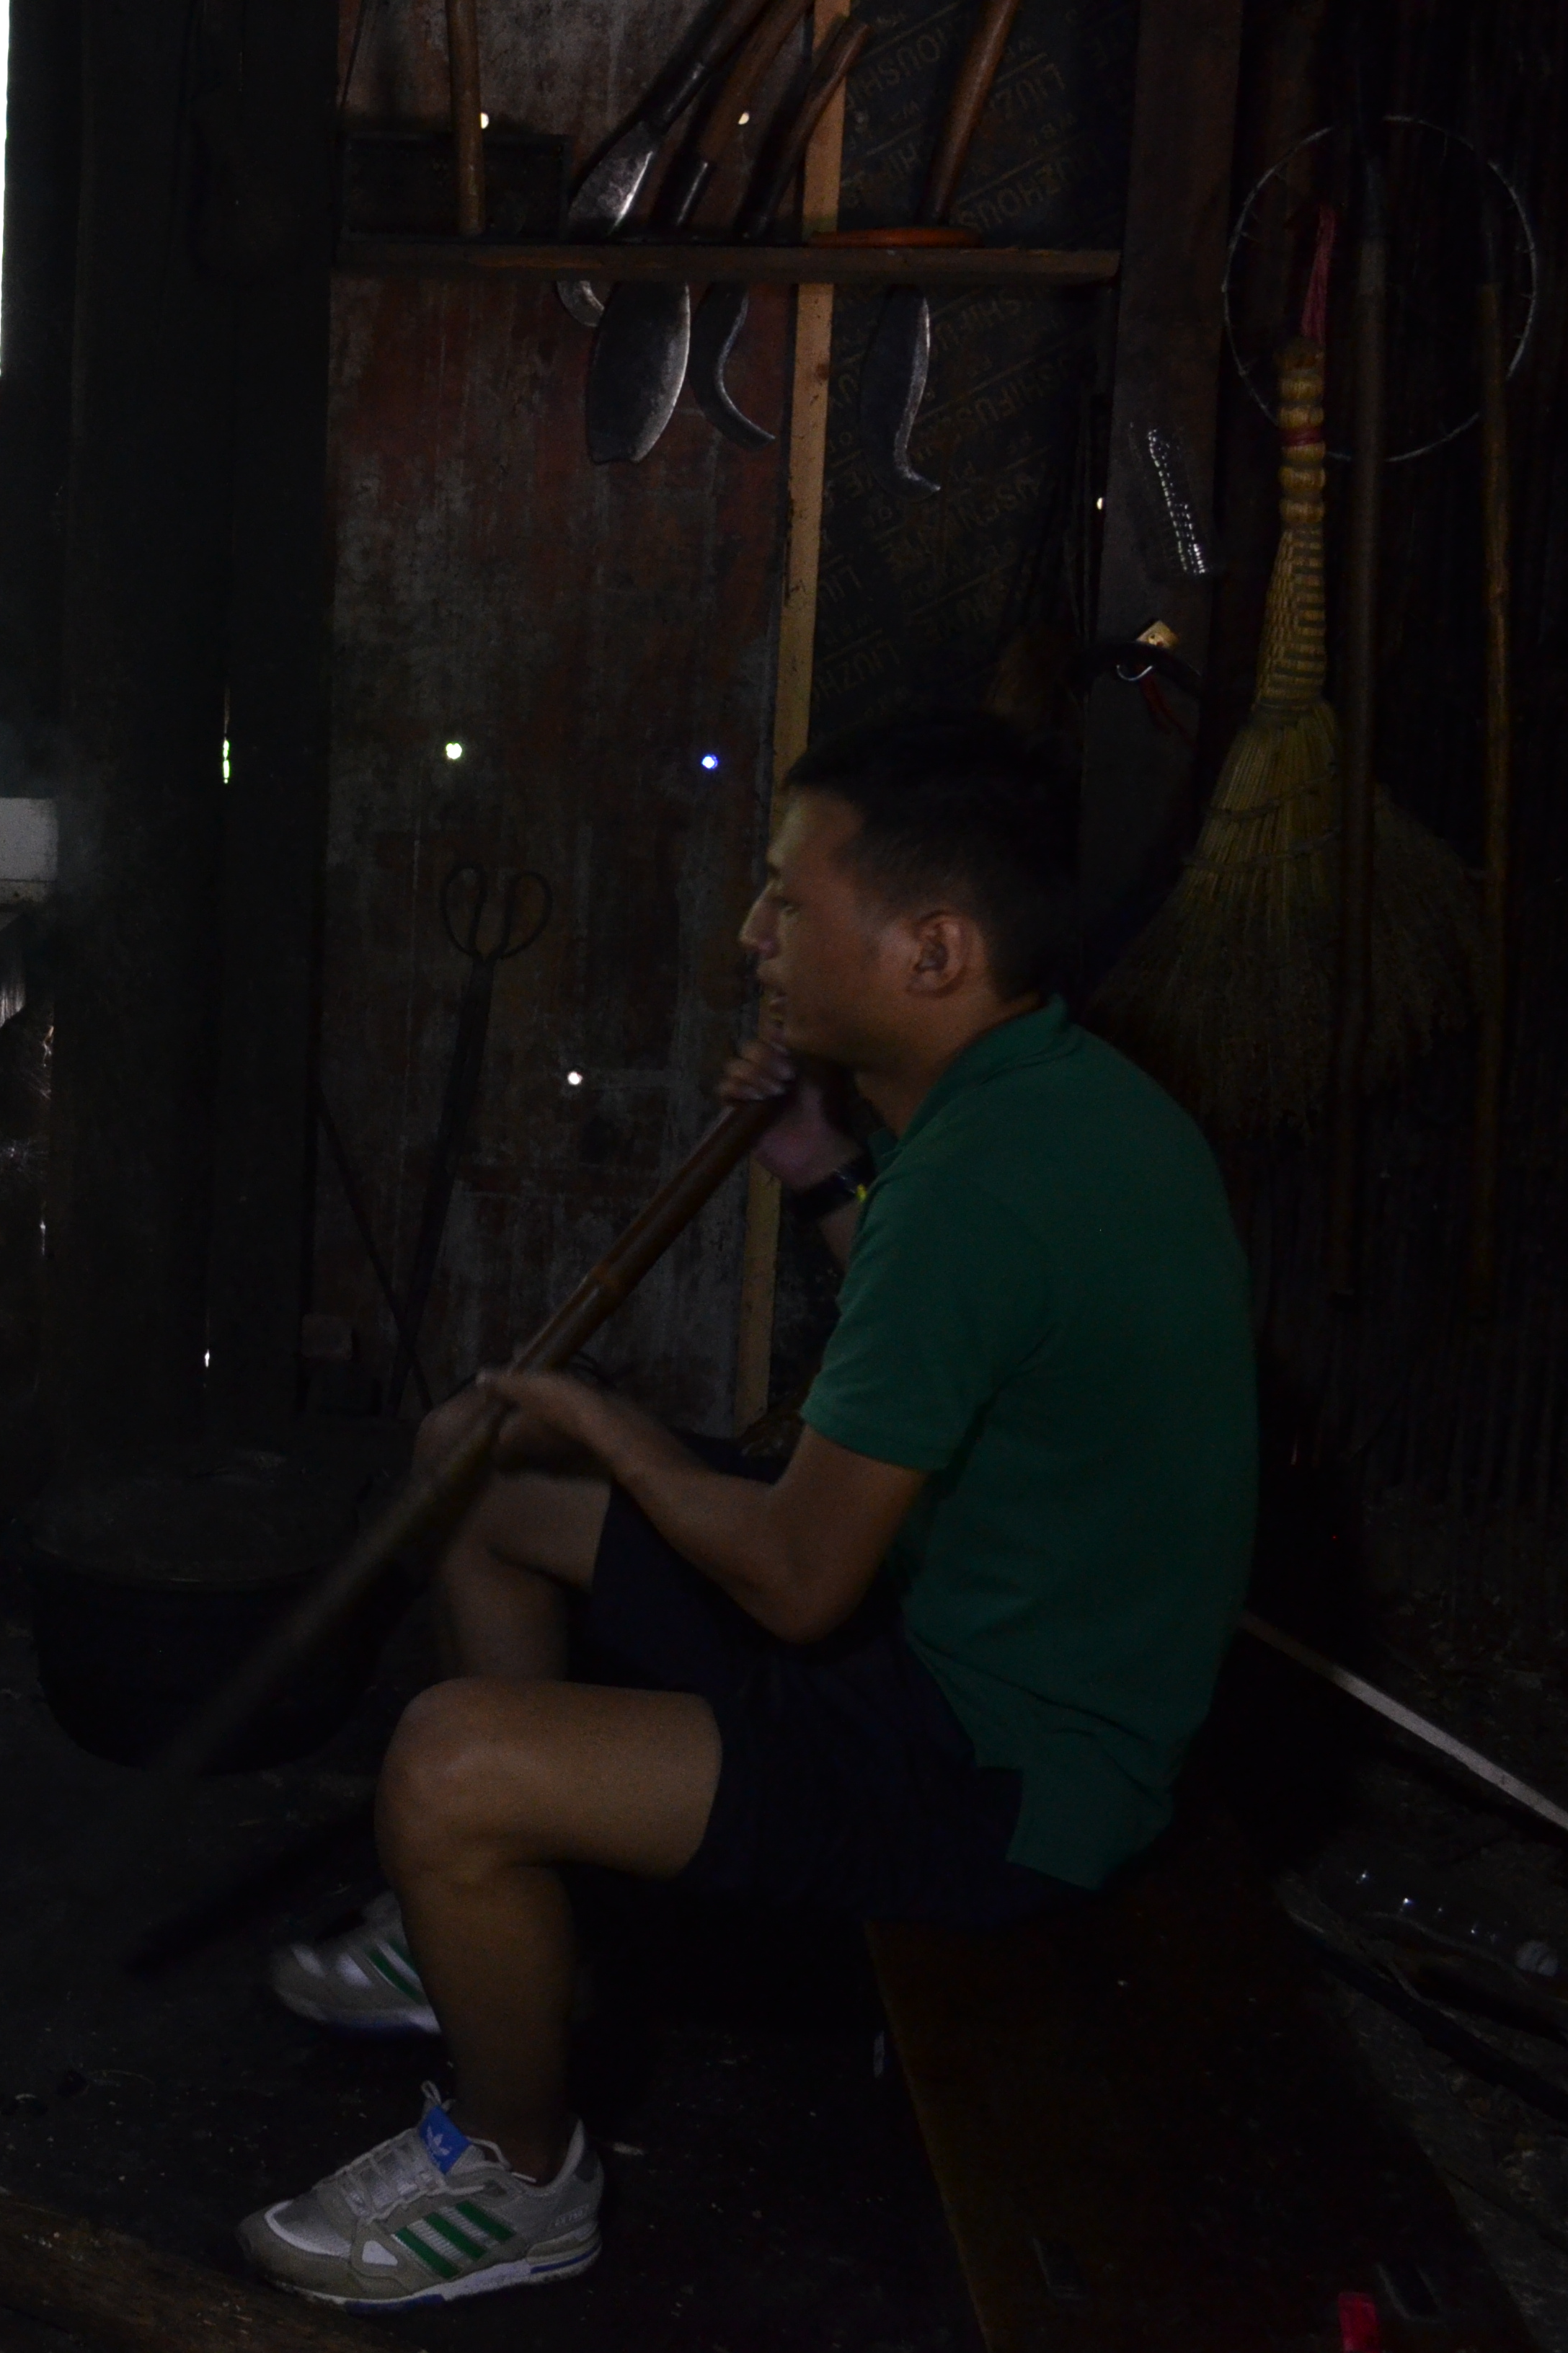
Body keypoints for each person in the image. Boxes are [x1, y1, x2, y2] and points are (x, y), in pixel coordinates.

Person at [234, 710, 1256, 2310]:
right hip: (953, 1631)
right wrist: (814, 1167)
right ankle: (494, 1936)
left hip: (1000, 1774)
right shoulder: (1051, 1104)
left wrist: (622, 1435)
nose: (751, 935)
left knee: (446, 1765)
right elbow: (961, 1354)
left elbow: (794, 1583)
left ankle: (516, 2175)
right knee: (479, 1466)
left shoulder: (981, 1184)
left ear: (932, 949)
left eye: (789, 896)